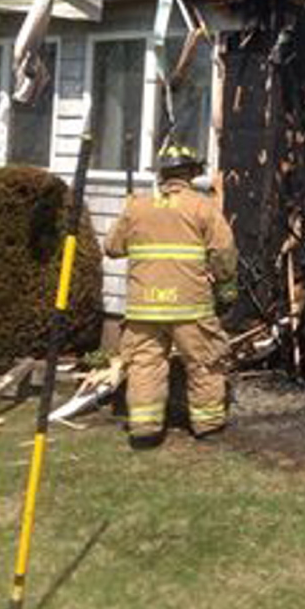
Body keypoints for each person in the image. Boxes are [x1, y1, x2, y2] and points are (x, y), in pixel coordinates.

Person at [104, 143, 237, 448]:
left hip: (144, 308)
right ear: (191, 173)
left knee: (144, 365)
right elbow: (225, 253)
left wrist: (130, 215)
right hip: (190, 306)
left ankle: (145, 430)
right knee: (205, 362)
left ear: (161, 174)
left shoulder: (137, 206)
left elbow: (112, 248)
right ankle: (208, 424)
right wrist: (223, 277)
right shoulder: (202, 207)